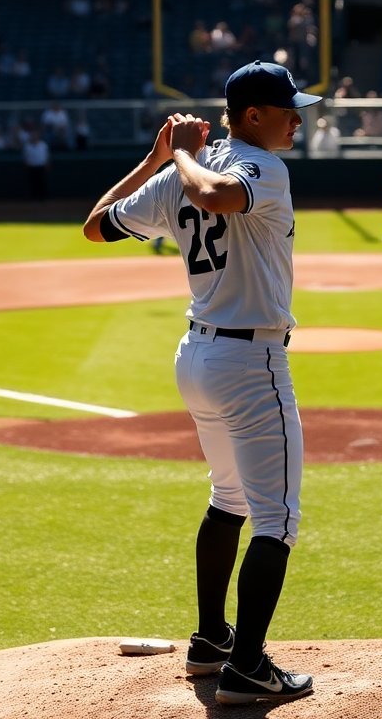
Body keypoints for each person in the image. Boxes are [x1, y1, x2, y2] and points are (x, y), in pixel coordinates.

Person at [81, 60, 317, 706]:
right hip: (251, 364)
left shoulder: (191, 170)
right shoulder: (262, 167)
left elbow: (97, 222)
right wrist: (175, 155)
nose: (298, 118)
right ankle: (246, 669)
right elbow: (213, 195)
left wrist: (159, 160)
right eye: (288, 107)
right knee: (279, 520)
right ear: (252, 116)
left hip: (200, 359)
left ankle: (211, 639)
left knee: (229, 498)